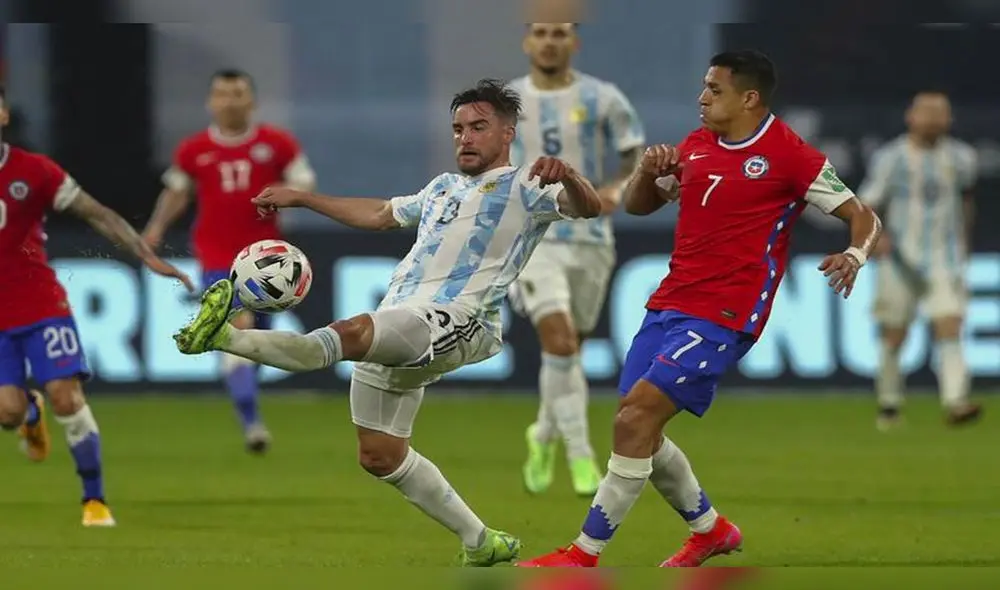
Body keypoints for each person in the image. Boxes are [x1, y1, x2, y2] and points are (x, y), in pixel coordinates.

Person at [173, 79, 602, 565]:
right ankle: (480, 542)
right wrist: (305, 199)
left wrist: (569, 176)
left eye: (478, 127)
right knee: (379, 455)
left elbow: (588, 207)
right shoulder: (441, 188)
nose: (465, 137)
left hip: (460, 319)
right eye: (458, 128)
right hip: (402, 316)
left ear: (508, 133)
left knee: (347, 335)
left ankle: (223, 336)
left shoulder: (528, 184)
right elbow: (380, 213)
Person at [516, 50, 882, 568]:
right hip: (669, 304)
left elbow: (863, 215)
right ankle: (711, 530)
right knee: (638, 427)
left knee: (636, 418)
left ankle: (583, 553)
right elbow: (641, 204)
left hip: (725, 315)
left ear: (749, 98)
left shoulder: (791, 155)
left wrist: (854, 254)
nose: (702, 97)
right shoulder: (696, 145)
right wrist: (647, 173)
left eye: (714, 89)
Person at [0, 86, 194, 526]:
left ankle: (94, 500)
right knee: (7, 413)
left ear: (4, 116)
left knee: (66, 396)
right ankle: (28, 411)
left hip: (39, 303)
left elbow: (97, 213)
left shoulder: (35, 171)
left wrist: (145, 255)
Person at [143, 69, 317, 453]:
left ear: (251, 101)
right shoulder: (193, 150)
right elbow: (177, 193)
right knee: (240, 324)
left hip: (268, 258)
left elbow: (305, 181)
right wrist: (156, 227)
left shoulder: (277, 144)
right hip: (217, 256)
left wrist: (288, 194)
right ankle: (253, 425)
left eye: (237, 93)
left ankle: (245, 399)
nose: (229, 101)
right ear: (210, 101)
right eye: (222, 93)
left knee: (254, 343)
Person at [507, 22, 645, 497]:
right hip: (533, 239)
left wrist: (616, 191)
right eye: (541, 33)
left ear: (574, 43)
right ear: (527, 42)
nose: (550, 41)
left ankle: (543, 433)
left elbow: (634, 155)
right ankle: (582, 455)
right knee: (561, 342)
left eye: (559, 33)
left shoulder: (603, 97)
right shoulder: (506, 101)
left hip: (591, 238)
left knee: (569, 355)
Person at [858, 90, 980, 430]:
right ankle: (889, 404)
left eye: (940, 113)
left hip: (945, 258)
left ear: (949, 119)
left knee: (950, 324)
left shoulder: (962, 158)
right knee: (894, 333)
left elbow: (966, 201)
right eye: (927, 112)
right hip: (900, 258)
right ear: (911, 116)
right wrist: (876, 238)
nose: (934, 119)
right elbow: (868, 203)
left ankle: (956, 402)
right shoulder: (891, 158)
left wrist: (964, 244)